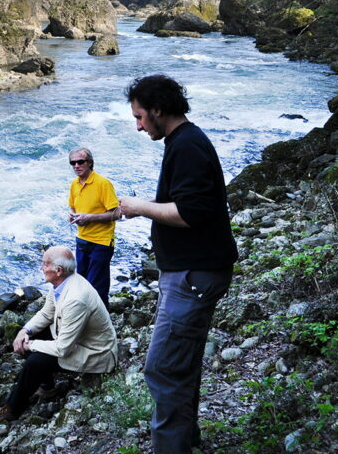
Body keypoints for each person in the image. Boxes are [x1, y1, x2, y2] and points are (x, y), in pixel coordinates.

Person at [118, 75, 238, 454]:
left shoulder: (187, 146)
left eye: (139, 116)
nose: (138, 125)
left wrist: (138, 207)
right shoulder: (183, 141)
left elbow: (191, 213)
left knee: (164, 368)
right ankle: (185, 441)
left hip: (194, 275)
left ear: (158, 110)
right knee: (181, 365)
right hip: (192, 272)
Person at [0, 246, 118, 425]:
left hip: (96, 352)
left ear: (58, 270)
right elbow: (46, 314)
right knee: (33, 336)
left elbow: (62, 348)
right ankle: (47, 388)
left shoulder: (75, 299)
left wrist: (30, 344)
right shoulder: (62, 283)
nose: (41, 267)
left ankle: (13, 409)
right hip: (79, 339)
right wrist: (25, 331)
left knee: (34, 361)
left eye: (45, 264)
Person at [67, 147, 120, 307]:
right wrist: (71, 214)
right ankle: (87, 318)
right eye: (73, 163)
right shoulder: (74, 184)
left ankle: (102, 323)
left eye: (80, 162)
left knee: (97, 286)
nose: (76, 165)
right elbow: (72, 207)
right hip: (82, 240)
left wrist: (90, 218)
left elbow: (117, 213)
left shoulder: (103, 183)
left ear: (90, 163)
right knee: (82, 283)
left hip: (102, 241)